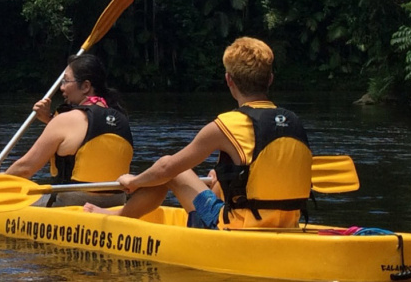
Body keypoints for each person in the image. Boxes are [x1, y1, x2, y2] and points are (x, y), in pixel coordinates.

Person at [84, 37, 312, 230]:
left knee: (169, 167)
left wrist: (134, 181)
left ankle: (120, 217)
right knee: (218, 180)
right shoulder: (294, 121)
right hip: (287, 224)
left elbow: (167, 169)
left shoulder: (227, 124)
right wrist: (225, 179)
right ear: (270, 79)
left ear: (229, 80)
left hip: (238, 227)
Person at [5, 53, 133, 208]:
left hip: (70, 204)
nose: (62, 87)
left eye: (66, 81)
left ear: (85, 86)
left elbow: (24, 169)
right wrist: (49, 120)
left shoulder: (65, 120)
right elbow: (84, 139)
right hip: (115, 204)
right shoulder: (121, 119)